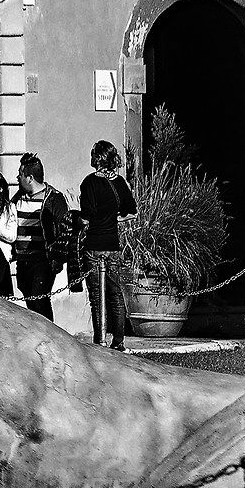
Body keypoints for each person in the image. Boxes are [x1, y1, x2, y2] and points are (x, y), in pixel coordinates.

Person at [80, 140, 137, 351]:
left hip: (94, 244)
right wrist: (114, 219)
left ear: (96, 158)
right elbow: (132, 212)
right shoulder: (120, 182)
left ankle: (100, 341)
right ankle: (119, 341)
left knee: (97, 297)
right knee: (115, 294)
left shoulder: (89, 183)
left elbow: (85, 218)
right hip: (112, 244)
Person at [10, 153, 74, 321]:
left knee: (40, 300)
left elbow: (65, 230)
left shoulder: (53, 199)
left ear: (30, 178)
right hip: (22, 260)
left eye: (20, 174)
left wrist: (58, 258)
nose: (17, 177)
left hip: (42, 260)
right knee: (30, 301)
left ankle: (49, 333)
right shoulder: (18, 198)